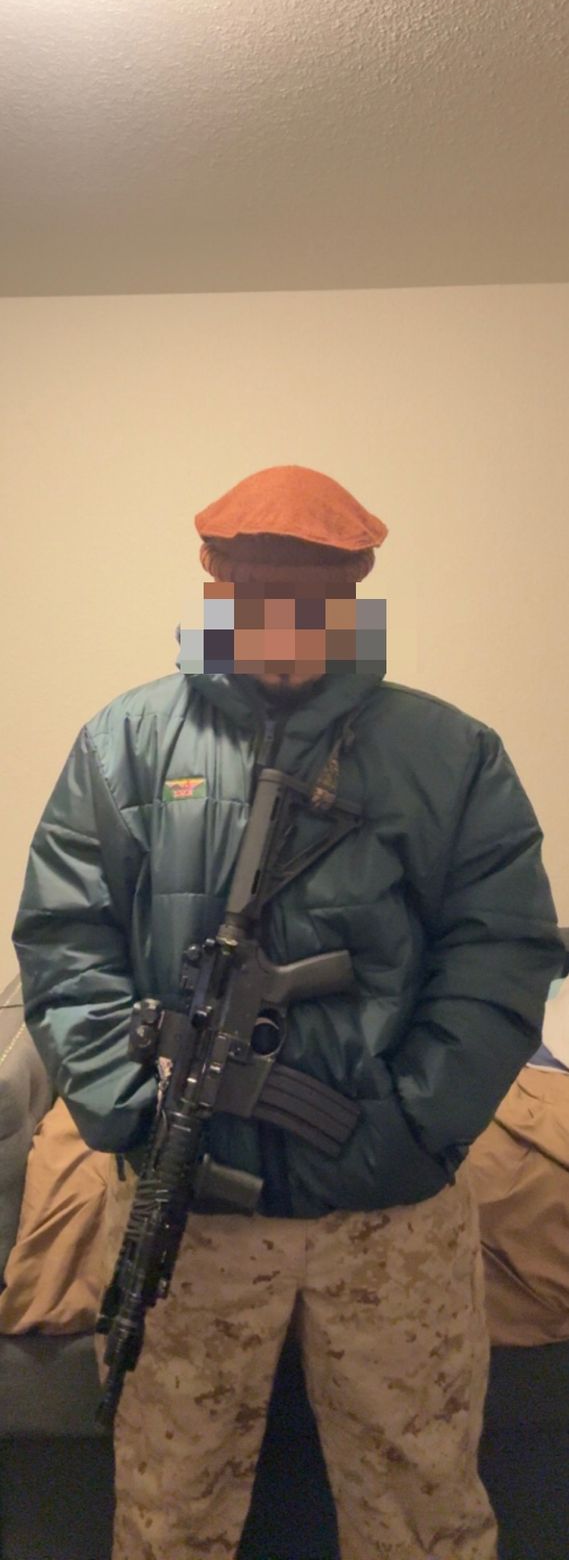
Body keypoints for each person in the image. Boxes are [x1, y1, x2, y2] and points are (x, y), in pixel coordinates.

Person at [12, 464, 566, 1560]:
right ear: (211, 581)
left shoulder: (448, 752)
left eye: (309, 599)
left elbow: (500, 949)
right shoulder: (124, 743)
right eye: (255, 593)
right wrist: (129, 1111)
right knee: (169, 1512)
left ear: (353, 594)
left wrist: (410, 1128)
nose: (280, 625)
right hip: (190, 1208)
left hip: (388, 1215)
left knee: (419, 1511)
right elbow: (65, 940)